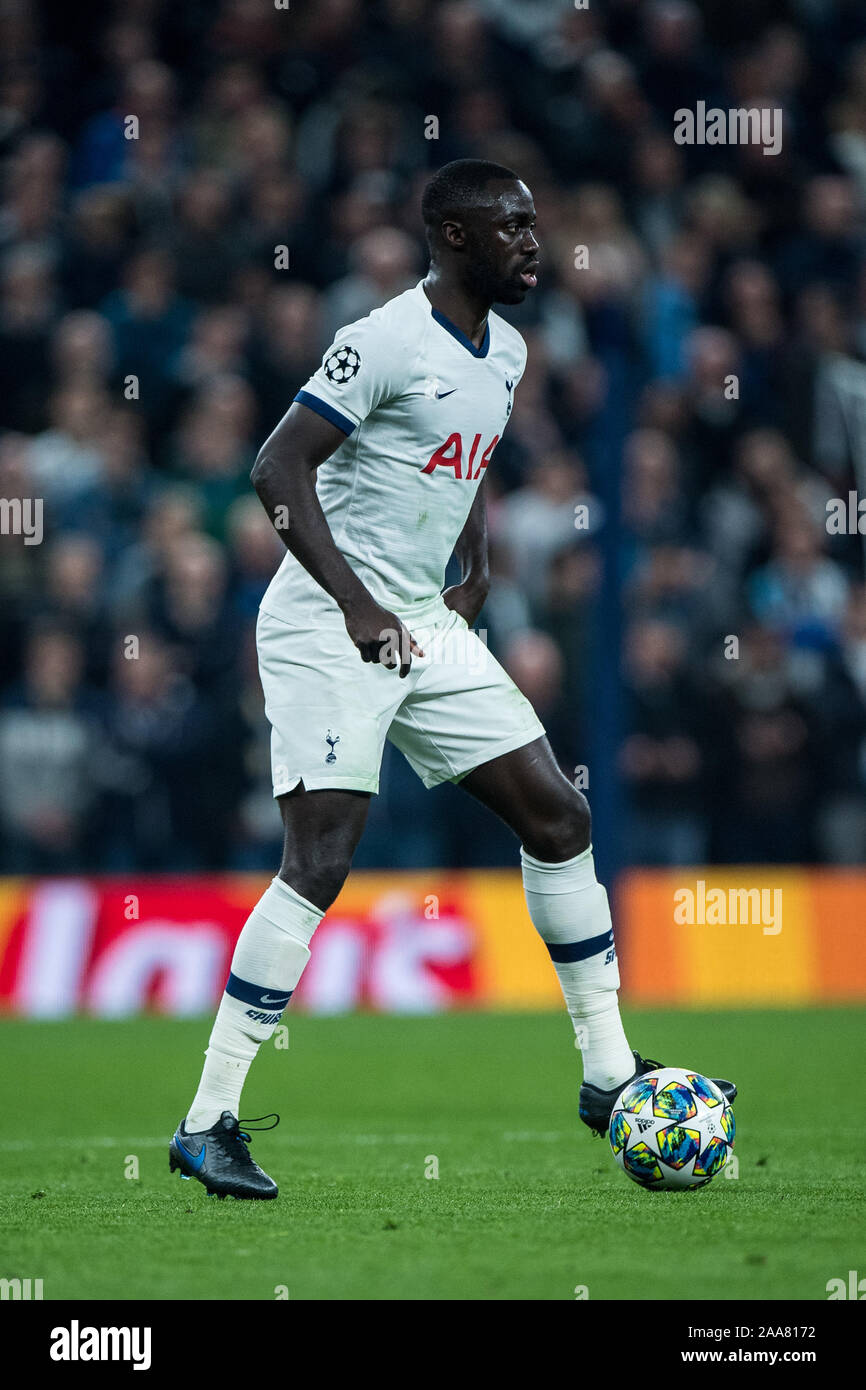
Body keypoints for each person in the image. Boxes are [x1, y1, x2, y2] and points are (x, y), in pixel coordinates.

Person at [170, 160, 735, 1199]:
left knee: (558, 818)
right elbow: (274, 468)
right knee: (321, 855)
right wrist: (352, 604)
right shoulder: (383, 339)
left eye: (533, 223)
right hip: (328, 621)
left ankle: (607, 1075)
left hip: (420, 623)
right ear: (453, 238)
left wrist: (470, 563)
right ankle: (207, 1119)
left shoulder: (507, 351)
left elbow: (457, 463)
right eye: (511, 226)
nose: (532, 241)